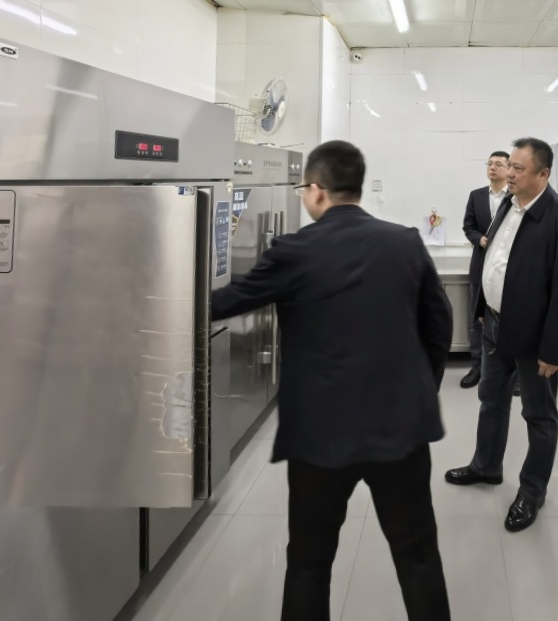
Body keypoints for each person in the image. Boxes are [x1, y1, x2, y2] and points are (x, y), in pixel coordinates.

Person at [210, 141, 453, 621]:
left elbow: (225, 302)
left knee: (308, 563)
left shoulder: (294, 250)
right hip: (399, 429)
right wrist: (419, 390)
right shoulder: (403, 242)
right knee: (418, 556)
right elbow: (439, 324)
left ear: (317, 190)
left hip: (319, 437)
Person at [445, 137, 558, 533]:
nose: (509, 174)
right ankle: (486, 466)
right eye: (509, 166)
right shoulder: (509, 203)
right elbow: (493, 259)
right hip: (494, 326)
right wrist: (481, 309)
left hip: (533, 336)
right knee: (491, 399)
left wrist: (553, 348)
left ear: (543, 173)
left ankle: (531, 492)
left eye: (518, 169)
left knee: (538, 416)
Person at [460, 150, 510, 389]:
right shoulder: (476, 196)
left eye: (498, 164)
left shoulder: (515, 196)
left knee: (509, 320)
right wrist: (479, 239)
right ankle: (477, 367)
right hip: (480, 266)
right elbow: (468, 226)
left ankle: (511, 371)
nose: (492, 167)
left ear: (509, 169)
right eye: (490, 164)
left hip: (508, 268)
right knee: (476, 320)